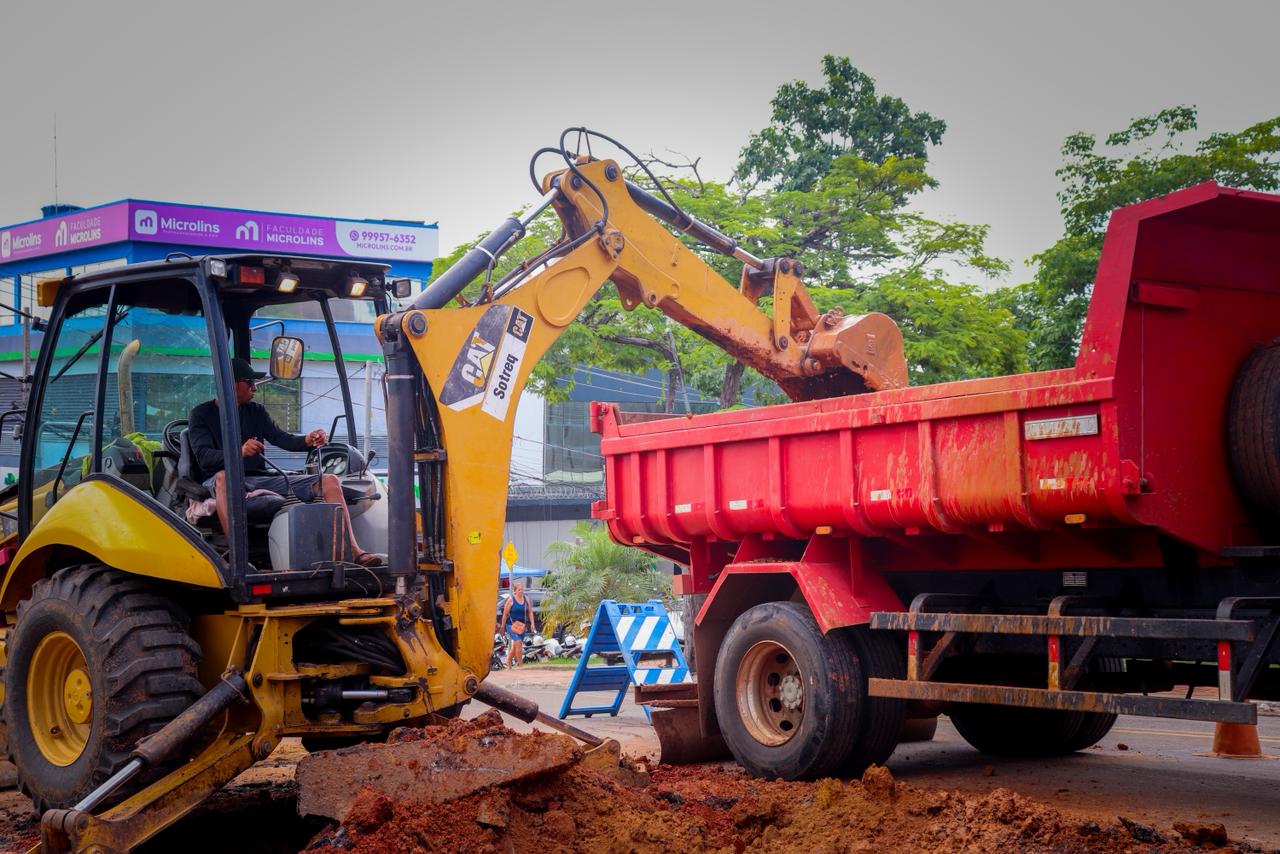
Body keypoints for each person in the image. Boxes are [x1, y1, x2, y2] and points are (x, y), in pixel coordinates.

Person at [187, 357, 384, 567]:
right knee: (224, 477)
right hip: (219, 482)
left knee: (329, 480)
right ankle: (238, 560)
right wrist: (239, 452)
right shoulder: (201, 414)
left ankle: (354, 551)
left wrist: (307, 440)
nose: (255, 388)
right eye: (249, 382)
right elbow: (204, 457)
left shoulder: (256, 411)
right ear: (231, 384)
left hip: (258, 479)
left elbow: (282, 439)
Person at [498, 580, 535, 668]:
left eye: (522, 589)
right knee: (518, 643)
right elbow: (505, 614)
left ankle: (508, 660)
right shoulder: (511, 600)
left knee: (516, 646)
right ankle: (520, 665)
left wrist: (532, 623)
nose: (521, 591)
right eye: (519, 590)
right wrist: (503, 626)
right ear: (515, 591)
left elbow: (530, 612)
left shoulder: (526, 599)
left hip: (521, 626)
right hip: (511, 625)